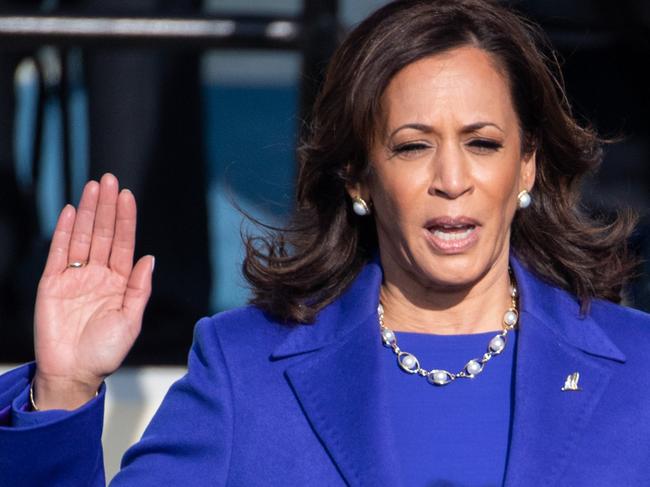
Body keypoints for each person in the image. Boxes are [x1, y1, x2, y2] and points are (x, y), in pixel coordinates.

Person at [1, 0, 649, 485]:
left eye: (482, 143)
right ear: (358, 175)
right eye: (413, 146)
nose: (452, 180)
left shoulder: (638, 368)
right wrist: (64, 391)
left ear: (528, 165)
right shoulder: (245, 367)